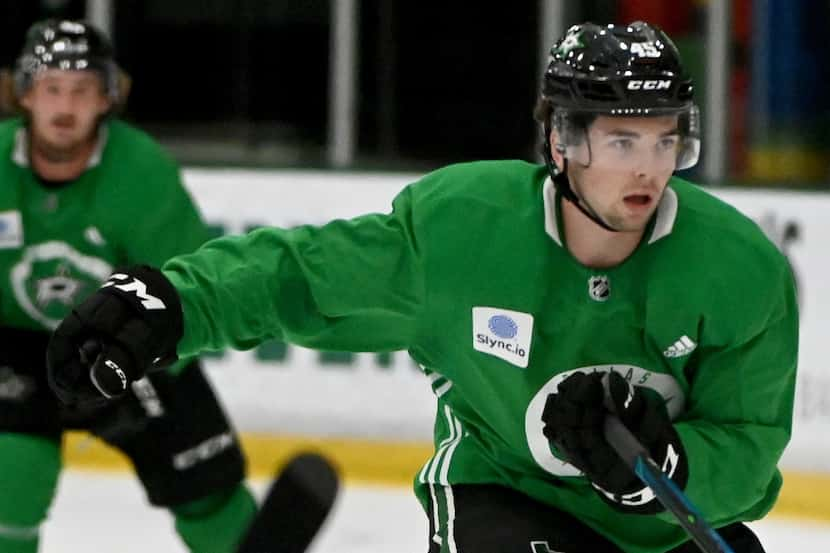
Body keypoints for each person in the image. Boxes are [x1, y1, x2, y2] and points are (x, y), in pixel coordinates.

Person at [45, 21, 798, 553]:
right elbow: (302, 276)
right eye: (623, 140)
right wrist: (176, 303)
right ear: (563, 141)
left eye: (667, 139)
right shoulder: (463, 232)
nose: (649, 167)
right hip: (506, 494)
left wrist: (668, 468)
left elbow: (750, 445)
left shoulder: (738, 268)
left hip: (669, 527)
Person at [0, 19, 260, 553]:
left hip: (133, 349)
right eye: (51, 88)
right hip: (14, 348)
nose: (66, 106)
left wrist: (145, 357)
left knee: (207, 491)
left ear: (107, 98)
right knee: (10, 477)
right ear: (25, 95)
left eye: (82, 90)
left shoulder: (142, 171)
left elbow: (188, 287)